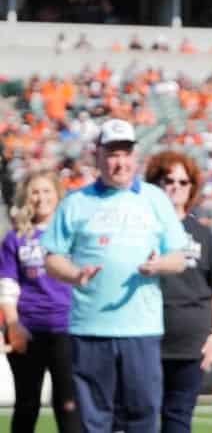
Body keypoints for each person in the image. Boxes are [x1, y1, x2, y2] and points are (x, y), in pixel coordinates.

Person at [41, 118, 189, 433]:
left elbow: (178, 259)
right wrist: (75, 274)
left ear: (135, 156)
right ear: (97, 155)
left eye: (125, 153)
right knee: (94, 420)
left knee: (143, 416)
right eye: (111, 153)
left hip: (142, 329)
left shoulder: (155, 199)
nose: (119, 162)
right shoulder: (75, 202)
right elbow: (52, 258)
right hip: (90, 329)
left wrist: (158, 265)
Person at [145, 151, 212, 433]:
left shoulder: (203, 235)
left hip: (190, 343)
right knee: (139, 417)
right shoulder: (139, 228)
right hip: (144, 338)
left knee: (178, 419)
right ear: (155, 183)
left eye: (183, 182)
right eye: (168, 180)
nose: (175, 186)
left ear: (192, 187)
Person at [0, 172, 81, 433]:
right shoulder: (15, 238)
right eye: (35, 191)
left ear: (58, 195)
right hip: (28, 330)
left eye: (47, 191)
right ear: (26, 197)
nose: (41, 197)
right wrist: (13, 325)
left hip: (66, 329)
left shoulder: (73, 234)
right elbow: (7, 286)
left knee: (68, 405)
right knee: (26, 404)